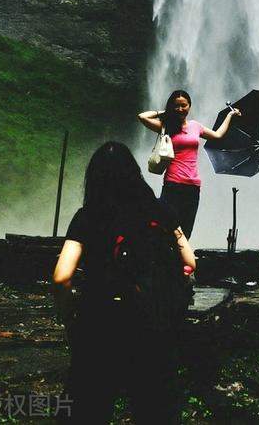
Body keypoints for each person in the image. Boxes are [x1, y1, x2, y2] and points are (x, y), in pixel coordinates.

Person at [53, 141, 195, 424]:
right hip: (153, 323)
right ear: (134, 173)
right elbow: (190, 261)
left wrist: (67, 314)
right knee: (155, 408)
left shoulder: (88, 216)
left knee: (85, 407)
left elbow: (61, 276)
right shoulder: (161, 211)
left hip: (100, 322)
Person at [138, 90, 241, 238]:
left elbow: (218, 135)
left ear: (189, 106)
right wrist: (165, 112)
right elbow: (142, 116)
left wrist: (229, 115)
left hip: (193, 185)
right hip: (173, 183)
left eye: (183, 105)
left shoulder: (195, 126)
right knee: (168, 227)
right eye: (176, 106)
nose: (180, 109)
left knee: (186, 230)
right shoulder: (166, 126)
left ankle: (179, 260)